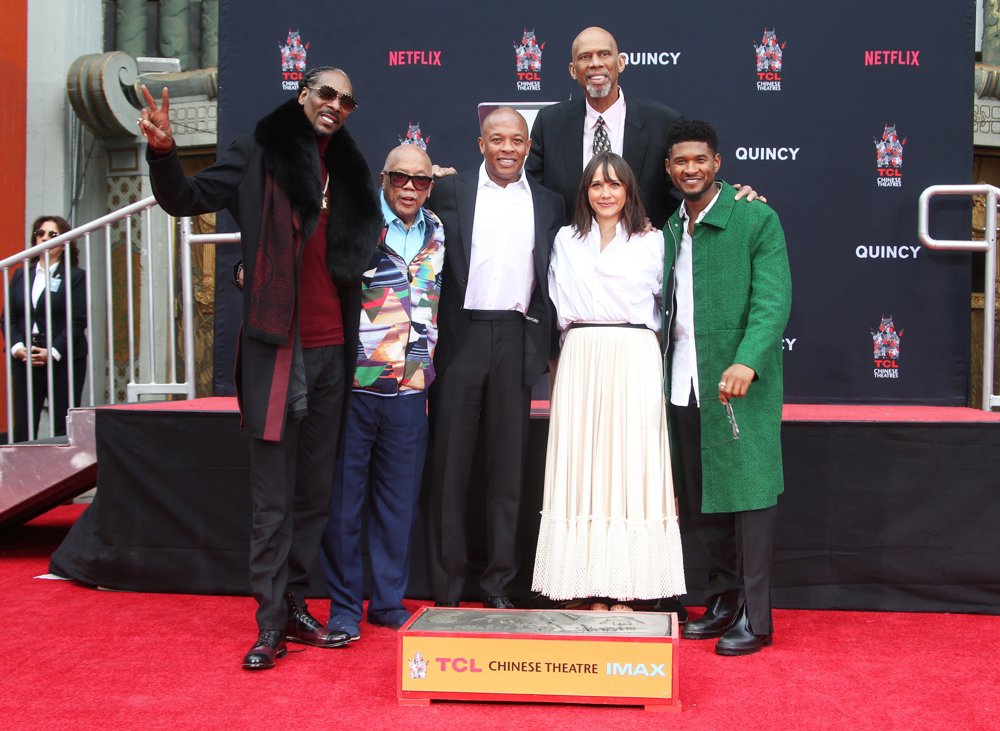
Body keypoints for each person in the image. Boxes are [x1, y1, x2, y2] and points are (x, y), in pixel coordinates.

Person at [138, 66, 384, 670]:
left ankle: (296, 605)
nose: (336, 105)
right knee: (273, 500)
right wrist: (164, 153)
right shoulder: (258, 151)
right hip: (279, 349)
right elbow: (186, 200)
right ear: (303, 95)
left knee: (314, 496)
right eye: (326, 93)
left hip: (334, 353)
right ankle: (269, 624)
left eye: (347, 100)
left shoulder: (350, 169)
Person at [531, 152, 686, 610]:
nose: (605, 193)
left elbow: (671, 305)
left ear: (629, 191)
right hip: (579, 355)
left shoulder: (654, 241)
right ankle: (580, 583)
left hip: (635, 354)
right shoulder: (564, 240)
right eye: (596, 185)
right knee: (582, 465)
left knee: (632, 465)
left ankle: (630, 587)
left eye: (614, 185)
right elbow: (555, 305)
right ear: (585, 192)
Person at [425, 107, 564, 608]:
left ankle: (500, 584)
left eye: (518, 140)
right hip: (460, 336)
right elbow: (394, 201)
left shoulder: (551, 203)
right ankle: (447, 588)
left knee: (508, 474)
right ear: (480, 142)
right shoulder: (447, 191)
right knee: (449, 471)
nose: (508, 148)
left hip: (517, 336)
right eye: (497, 139)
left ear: (529, 147)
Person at [662, 119, 791, 656]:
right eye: (680, 162)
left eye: (700, 159)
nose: (690, 169)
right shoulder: (669, 227)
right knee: (702, 498)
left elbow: (772, 300)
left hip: (739, 382)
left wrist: (748, 362)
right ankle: (720, 601)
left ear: (717, 163)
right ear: (669, 169)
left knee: (750, 496)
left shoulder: (755, 217)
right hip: (682, 381)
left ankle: (756, 618)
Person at [320, 144, 445, 640]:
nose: (410, 187)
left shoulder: (439, 230)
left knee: (399, 504)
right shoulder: (358, 221)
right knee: (346, 505)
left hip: (413, 389)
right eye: (401, 178)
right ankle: (346, 606)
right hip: (357, 385)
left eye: (421, 179)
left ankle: (388, 601)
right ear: (384, 178)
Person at [526, 26, 759, 230]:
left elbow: (686, 186)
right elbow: (530, 196)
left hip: (644, 263)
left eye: (604, 54)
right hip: (570, 261)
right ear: (572, 69)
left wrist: (730, 200)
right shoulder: (550, 123)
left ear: (620, 63)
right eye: (585, 57)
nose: (595, 63)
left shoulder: (664, 121)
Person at [3, 215, 87, 442]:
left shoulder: (75, 276)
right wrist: (17, 347)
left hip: (63, 358)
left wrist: (53, 351)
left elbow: (77, 321)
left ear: (65, 242)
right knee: (23, 424)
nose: (45, 238)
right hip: (25, 357)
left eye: (52, 234)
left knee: (63, 424)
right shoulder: (22, 275)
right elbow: (8, 317)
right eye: (40, 233)